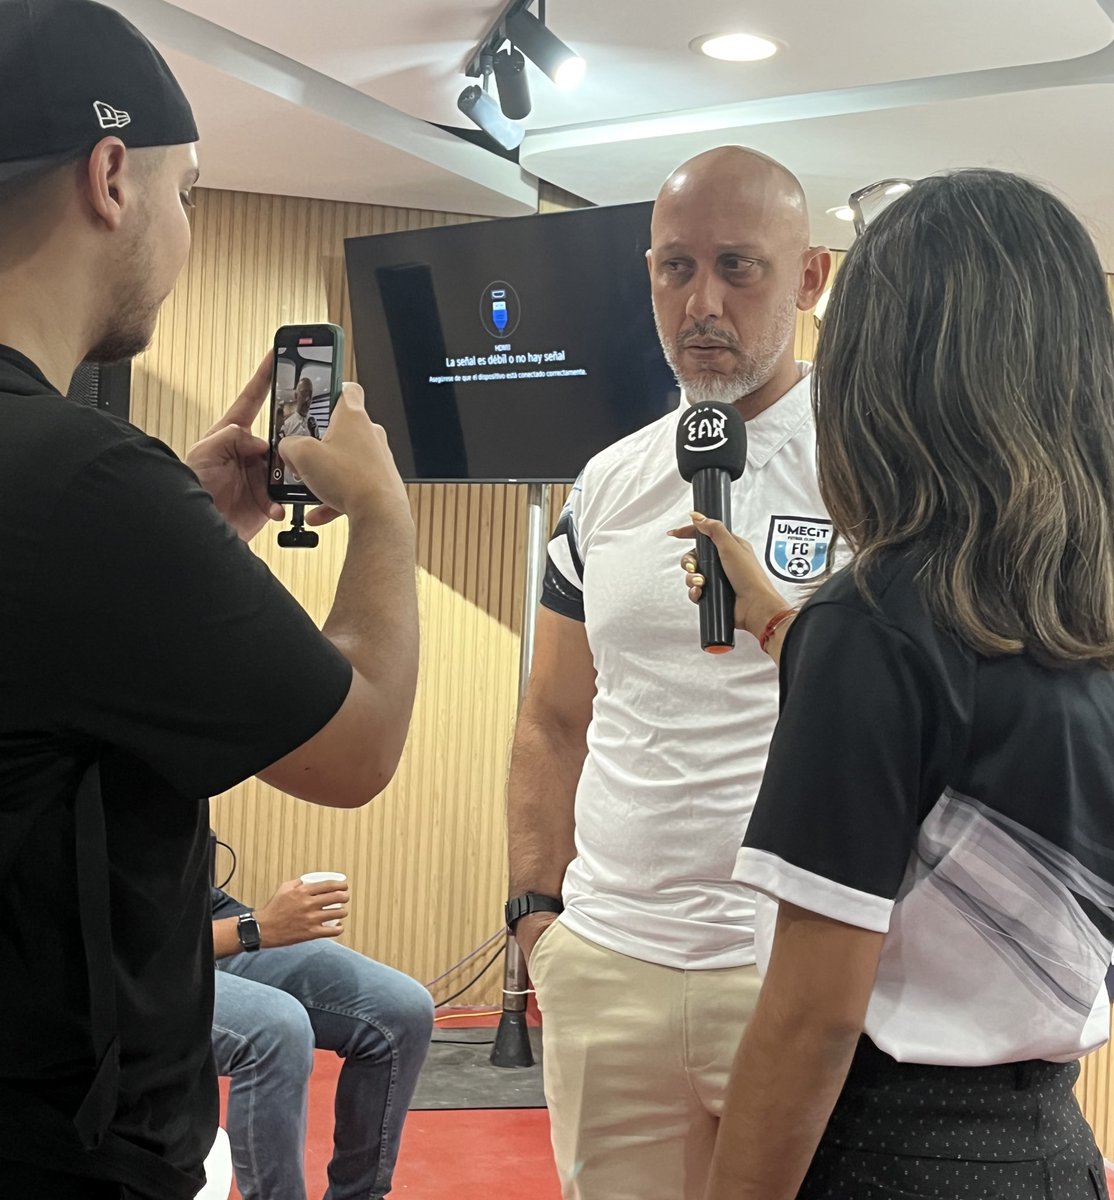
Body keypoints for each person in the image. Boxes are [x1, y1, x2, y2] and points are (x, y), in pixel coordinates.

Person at [0, 2, 419, 1197]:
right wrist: (385, 516)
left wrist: (185, 533)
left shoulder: (89, 495)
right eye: (191, 193)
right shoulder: (83, 482)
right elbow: (357, 746)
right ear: (113, 175)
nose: (185, 228)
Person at [673, 169, 1114, 1199]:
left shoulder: (874, 621)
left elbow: (811, 1019)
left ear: (883, 365)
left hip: (895, 1153)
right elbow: (968, 750)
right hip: (1053, 1147)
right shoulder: (1073, 610)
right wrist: (790, 628)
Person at [505, 145, 832, 1200]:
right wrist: (536, 917)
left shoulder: (878, 461)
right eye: (674, 267)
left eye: (739, 268)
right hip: (607, 967)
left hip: (793, 972)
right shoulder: (605, 481)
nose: (702, 301)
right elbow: (554, 715)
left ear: (810, 278)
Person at [210, 878, 434, 1200]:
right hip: (135, 959)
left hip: (203, 916)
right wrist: (254, 928)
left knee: (403, 1010)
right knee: (277, 1030)